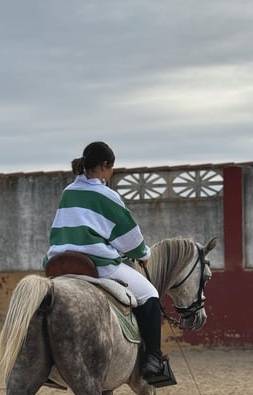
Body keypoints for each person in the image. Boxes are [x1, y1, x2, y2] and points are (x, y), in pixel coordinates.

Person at [45, 141, 166, 382]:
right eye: (112, 169)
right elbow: (129, 237)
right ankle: (153, 359)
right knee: (150, 295)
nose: (111, 174)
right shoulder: (106, 194)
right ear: (104, 165)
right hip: (97, 265)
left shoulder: (68, 192)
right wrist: (143, 254)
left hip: (59, 264)